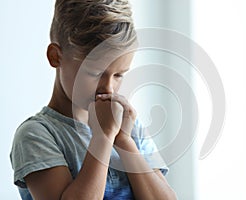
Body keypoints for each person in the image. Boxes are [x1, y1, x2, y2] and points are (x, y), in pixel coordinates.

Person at [10, 0, 177, 199]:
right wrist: (103, 138)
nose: (108, 88)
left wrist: (123, 140)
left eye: (119, 75)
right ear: (55, 57)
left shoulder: (128, 126)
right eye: (95, 73)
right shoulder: (37, 135)